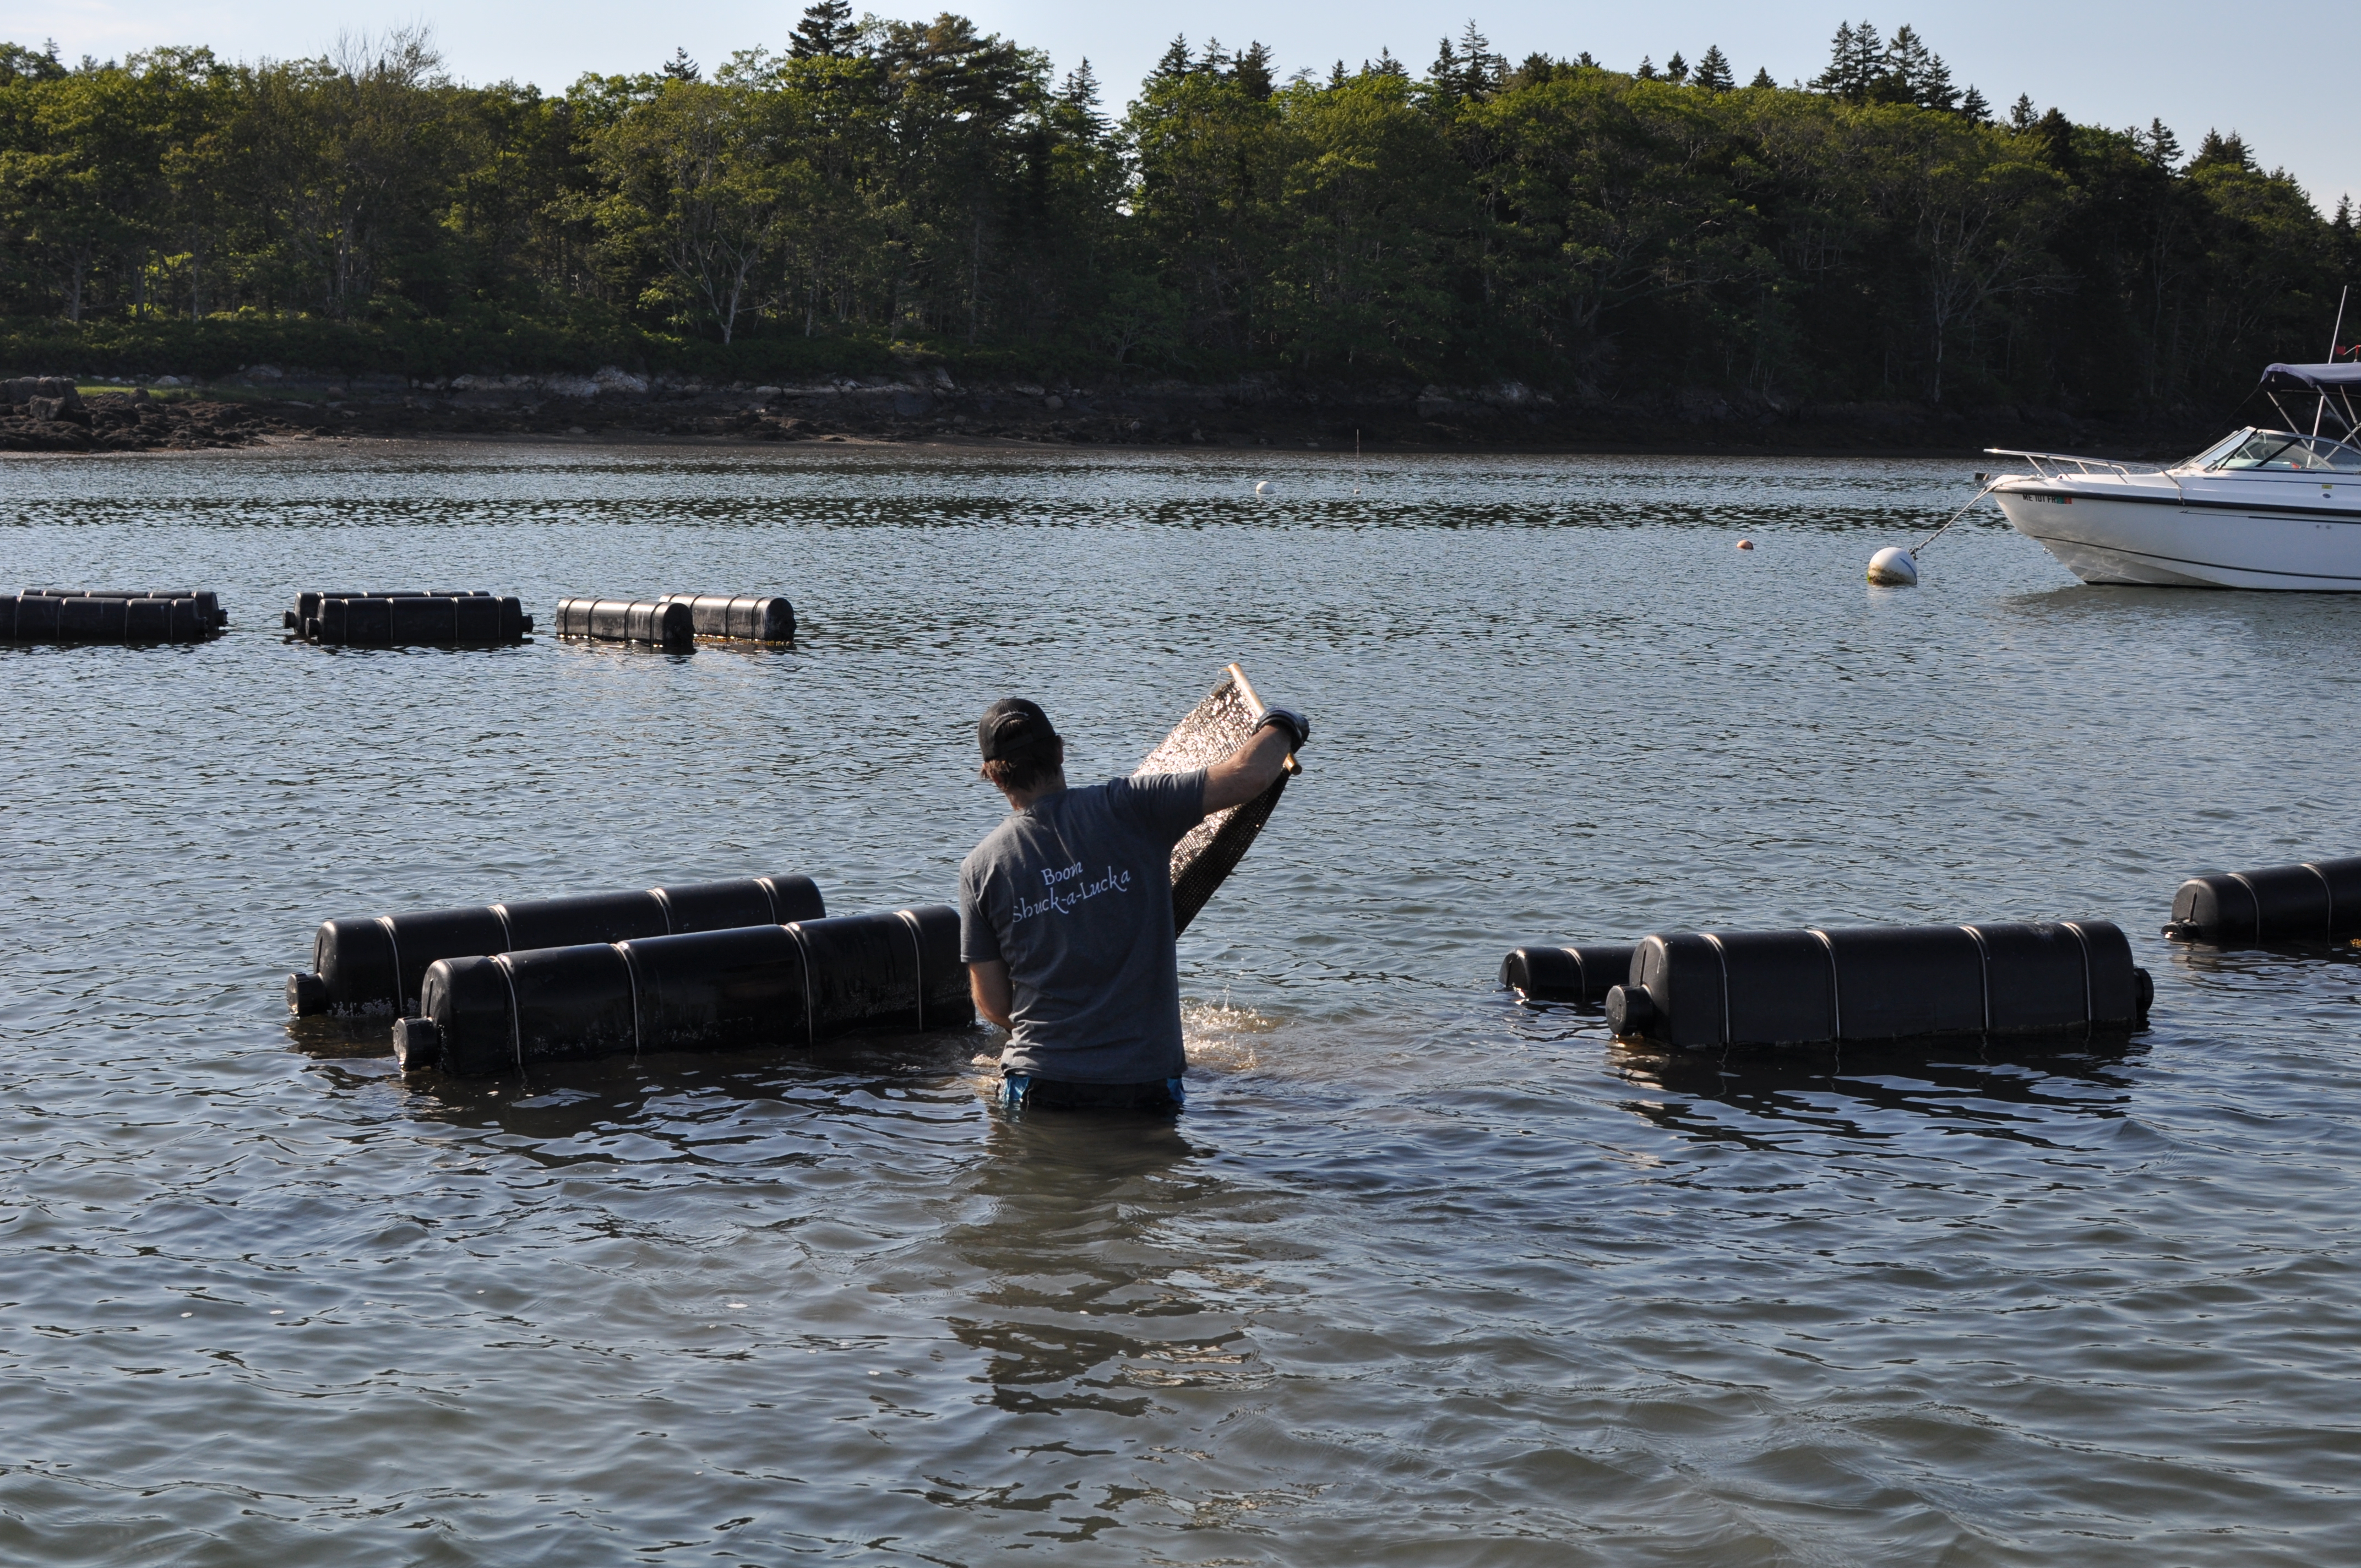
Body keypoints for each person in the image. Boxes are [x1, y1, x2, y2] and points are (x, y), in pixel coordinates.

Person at [959, 695, 1309, 1111]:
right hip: (1144, 1083)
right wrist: (1284, 724)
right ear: (1059, 751)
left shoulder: (979, 868)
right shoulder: (1132, 806)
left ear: (993, 777)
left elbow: (995, 1005)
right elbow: (1248, 776)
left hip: (1040, 1082)